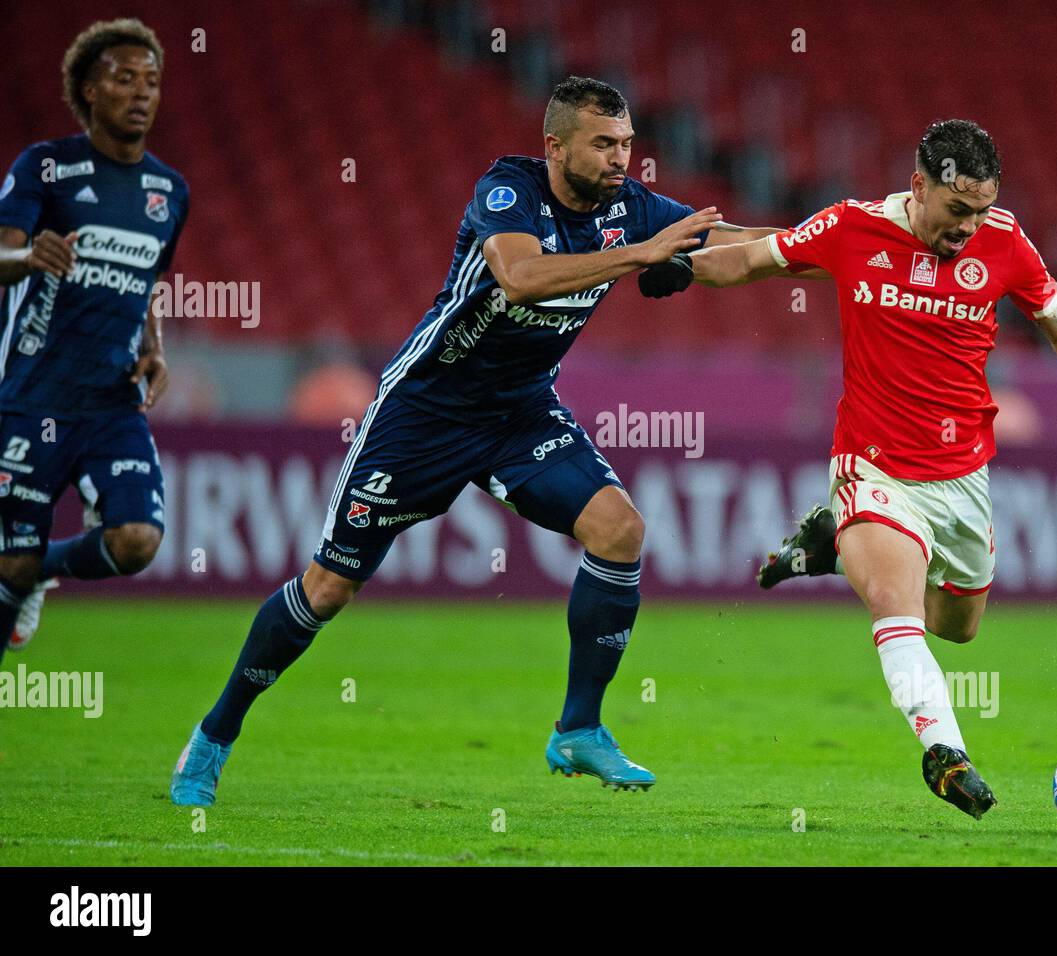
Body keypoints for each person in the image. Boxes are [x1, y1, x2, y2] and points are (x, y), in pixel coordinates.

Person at [170, 76, 780, 805]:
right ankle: (214, 734)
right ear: (555, 147)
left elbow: (737, 246)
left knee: (619, 531)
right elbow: (521, 279)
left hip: (519, 414)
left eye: (626, 143)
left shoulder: (632, 209)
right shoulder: (507, 190)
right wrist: (641, 257)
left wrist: (843, 240)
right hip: (425, 414)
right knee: (328, 588)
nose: (621, 159)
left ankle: (578, 729)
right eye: (603, 144)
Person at [638, 119, 1057, 818]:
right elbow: (755, 258)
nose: (969, 228)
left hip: (963, 475)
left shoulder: (1006, 241)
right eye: (956, 211)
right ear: (919, 187)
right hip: (873, 463)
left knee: (959, 625)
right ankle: (945, 751)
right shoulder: (850, 227)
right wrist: (683, 268)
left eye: (979, 211)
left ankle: (825, 544)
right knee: (895, 603)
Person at [0, 18, 182, 662]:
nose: (141, 92)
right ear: (87, 90)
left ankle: (48, 566)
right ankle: (27, 572)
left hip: (110, 399)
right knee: (8, 570)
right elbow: (3, 253)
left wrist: (154, 346)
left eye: (151, 81)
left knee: (137, 539)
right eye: (124, 78)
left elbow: (148, 280)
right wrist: (27, 260)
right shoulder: (44, 167)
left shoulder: (169, 191)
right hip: (30, 395)